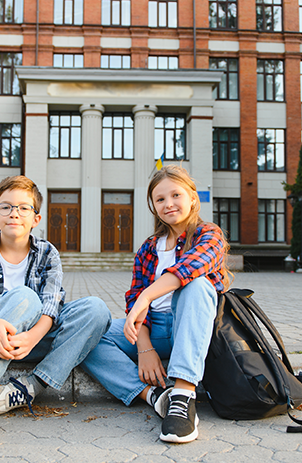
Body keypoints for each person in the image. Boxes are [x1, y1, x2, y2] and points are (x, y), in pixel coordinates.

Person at [0, 175, 111, 448]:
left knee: (97, 309)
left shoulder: (48, 253)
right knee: (26, 297)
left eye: (23, 208)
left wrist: (32, 337)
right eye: (6, 207)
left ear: (36, 219)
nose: (14, 213)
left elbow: (52, 304)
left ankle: (29, 387)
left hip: (32, 340)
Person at [81, 165, 232, 444]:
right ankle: (155, 396)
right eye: (160, 199)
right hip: (154, 330)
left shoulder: (208, 234)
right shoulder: (149, 247)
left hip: (190, 326)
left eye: (176, 195)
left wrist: (146, 296)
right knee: (87, 336)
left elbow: (189, 268)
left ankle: (184, 396)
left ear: (193, 199)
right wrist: (144, 346)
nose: (168, 204)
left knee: (197, 284)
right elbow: (135, 295)